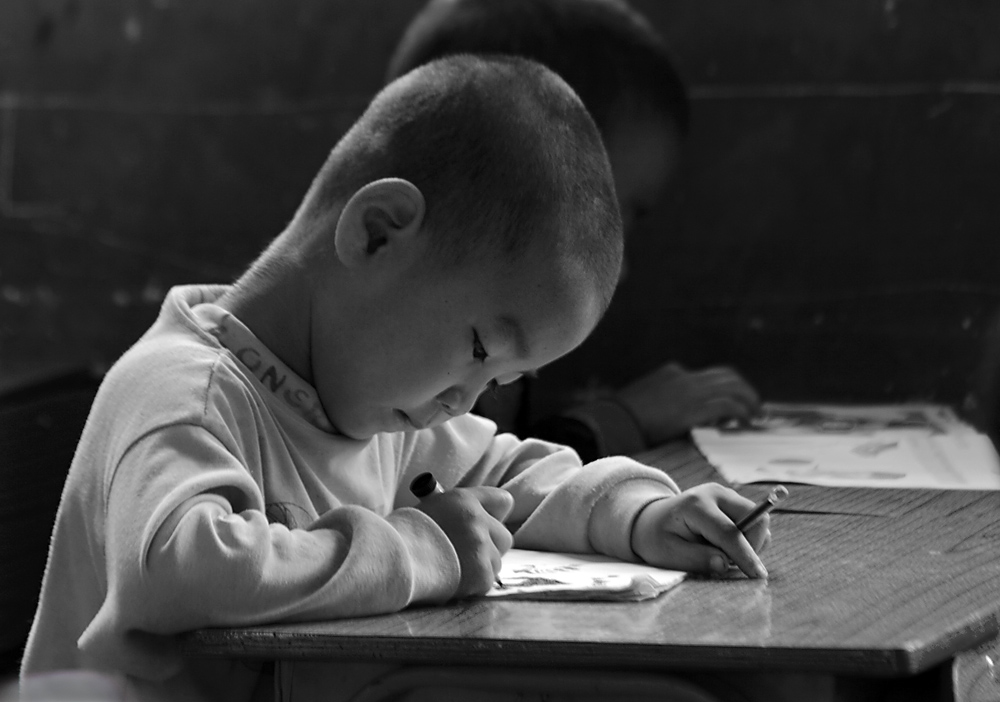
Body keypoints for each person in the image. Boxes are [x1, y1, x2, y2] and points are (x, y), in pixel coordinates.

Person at [20, 55, 770, 702]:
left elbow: (508, 471)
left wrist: (638, 515)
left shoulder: (372, 405)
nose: (468, 401)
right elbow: (184, 567)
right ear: (377, 231)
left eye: (504, 378)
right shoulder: (185, 393)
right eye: (480, 347)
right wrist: (420, 551)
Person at [387, 0, 762, 460]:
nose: (619, 266)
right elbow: (463, 481)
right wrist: (621, 421)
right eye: (609, 219)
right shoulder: (418, 339)